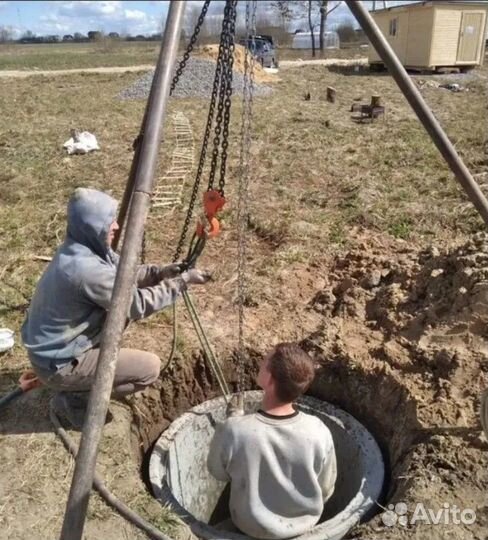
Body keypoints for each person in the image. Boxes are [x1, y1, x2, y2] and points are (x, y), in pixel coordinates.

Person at [22, 187, 210, 427]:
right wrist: (181, 283)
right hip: (60, 363)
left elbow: (123, 276)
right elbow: (136, 304)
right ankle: (74, 398)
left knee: (117, 318)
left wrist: (159, 273)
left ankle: (76, 384)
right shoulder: (86, 271)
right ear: (93, 226)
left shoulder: (81, 247)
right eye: (109, 222)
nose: (116, 227)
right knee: (149, 369)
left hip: (55, 350)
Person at [207, 343, 337, 540]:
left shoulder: (234, 431)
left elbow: (218, 472)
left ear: (268, 379)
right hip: (305, 530)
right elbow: (326, 488)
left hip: (248, 527)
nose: (261, 362)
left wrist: (234, 420)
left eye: (264, 361)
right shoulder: (319, 430)